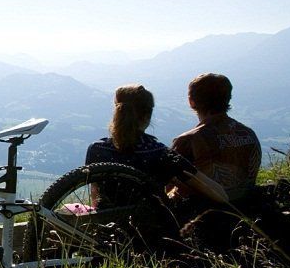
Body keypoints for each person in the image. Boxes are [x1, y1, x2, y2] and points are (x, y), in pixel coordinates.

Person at [86, 84, 228, 204]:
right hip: (152, 231)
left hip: (106, 231)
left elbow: (95, 195)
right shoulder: (159, 152)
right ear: (148, 116)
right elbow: (220, 195)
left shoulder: (97, 149)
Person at [171, 73, 261, 203]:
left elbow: (169, 185)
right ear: (228, 98)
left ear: (191, 102)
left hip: (202, 215)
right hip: (247, 208)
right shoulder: (249, 134)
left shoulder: (188, 141)